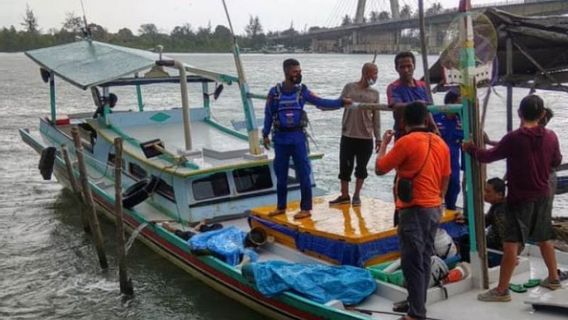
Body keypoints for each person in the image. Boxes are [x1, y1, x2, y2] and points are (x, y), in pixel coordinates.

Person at [463, 95, 562, 302]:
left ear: (519, 113)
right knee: (545, 238)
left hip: (520, 198)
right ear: (542, 114)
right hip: (543, 195)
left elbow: (486, 156)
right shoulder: (552, 137)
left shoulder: (513, 138)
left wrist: (470, 148)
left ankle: (501, 290)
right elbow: (556, 160)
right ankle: (553, 278)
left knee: (511, 243)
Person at [375, 101, 451, 320]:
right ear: (427, 120)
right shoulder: (440, 143)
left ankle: (416, 313)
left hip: (413, 209)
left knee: (412, 261)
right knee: (425, 256)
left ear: (403, 121)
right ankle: (416, 302)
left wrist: (383, 145)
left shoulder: (406, 142)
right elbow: (446, 175)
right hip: (434, 207)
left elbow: (380, 168)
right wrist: (440, 198)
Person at [262, 58, 351, 220]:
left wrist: (340, 103)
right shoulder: (274, 93)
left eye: (300, 72)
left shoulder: (302, 91)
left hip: (298, 138)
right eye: (295, 72)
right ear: (286, 72)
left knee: (303, 173)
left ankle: (306, 208)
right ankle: (281, 206)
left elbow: (320, 101)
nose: (299, 74)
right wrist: (265, 134)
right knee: (281, 175)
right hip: (280, 139)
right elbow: (268, 114)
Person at [386, 51, 439, 226]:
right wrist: (417, 105)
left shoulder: (422, 86)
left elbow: (428, 110)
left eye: (409, 66)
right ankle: (399, 207)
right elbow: (396, 105)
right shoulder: (393, 87)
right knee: (402, 174)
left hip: (425, 134)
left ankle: (425, 204)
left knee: (425, 171)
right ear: (396, 68)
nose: (406, 70)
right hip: (405, 134)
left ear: (414, 66)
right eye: (402, 66)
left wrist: (434, 128)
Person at [329, 62, 381, 206]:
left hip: (366, 137)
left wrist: (379, 138)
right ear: (364, 73)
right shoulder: (349, 87)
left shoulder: (375, 93)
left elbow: (376, 117)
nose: (375, 76)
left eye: (376, 73)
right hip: (348, 135)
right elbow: (338, 103)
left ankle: (357, 195)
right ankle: (344, 195)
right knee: (345, 167)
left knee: (361, 168)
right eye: (373, 73)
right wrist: (324, 105)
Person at [433, 89, 463, 210]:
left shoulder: (462, 119)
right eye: (459, 103)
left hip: (454, 159)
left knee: (454, 185)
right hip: (437, 159)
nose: (461, 107)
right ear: (450, 103)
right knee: (436, 186)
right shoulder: (436, 116)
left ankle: (451, 208)